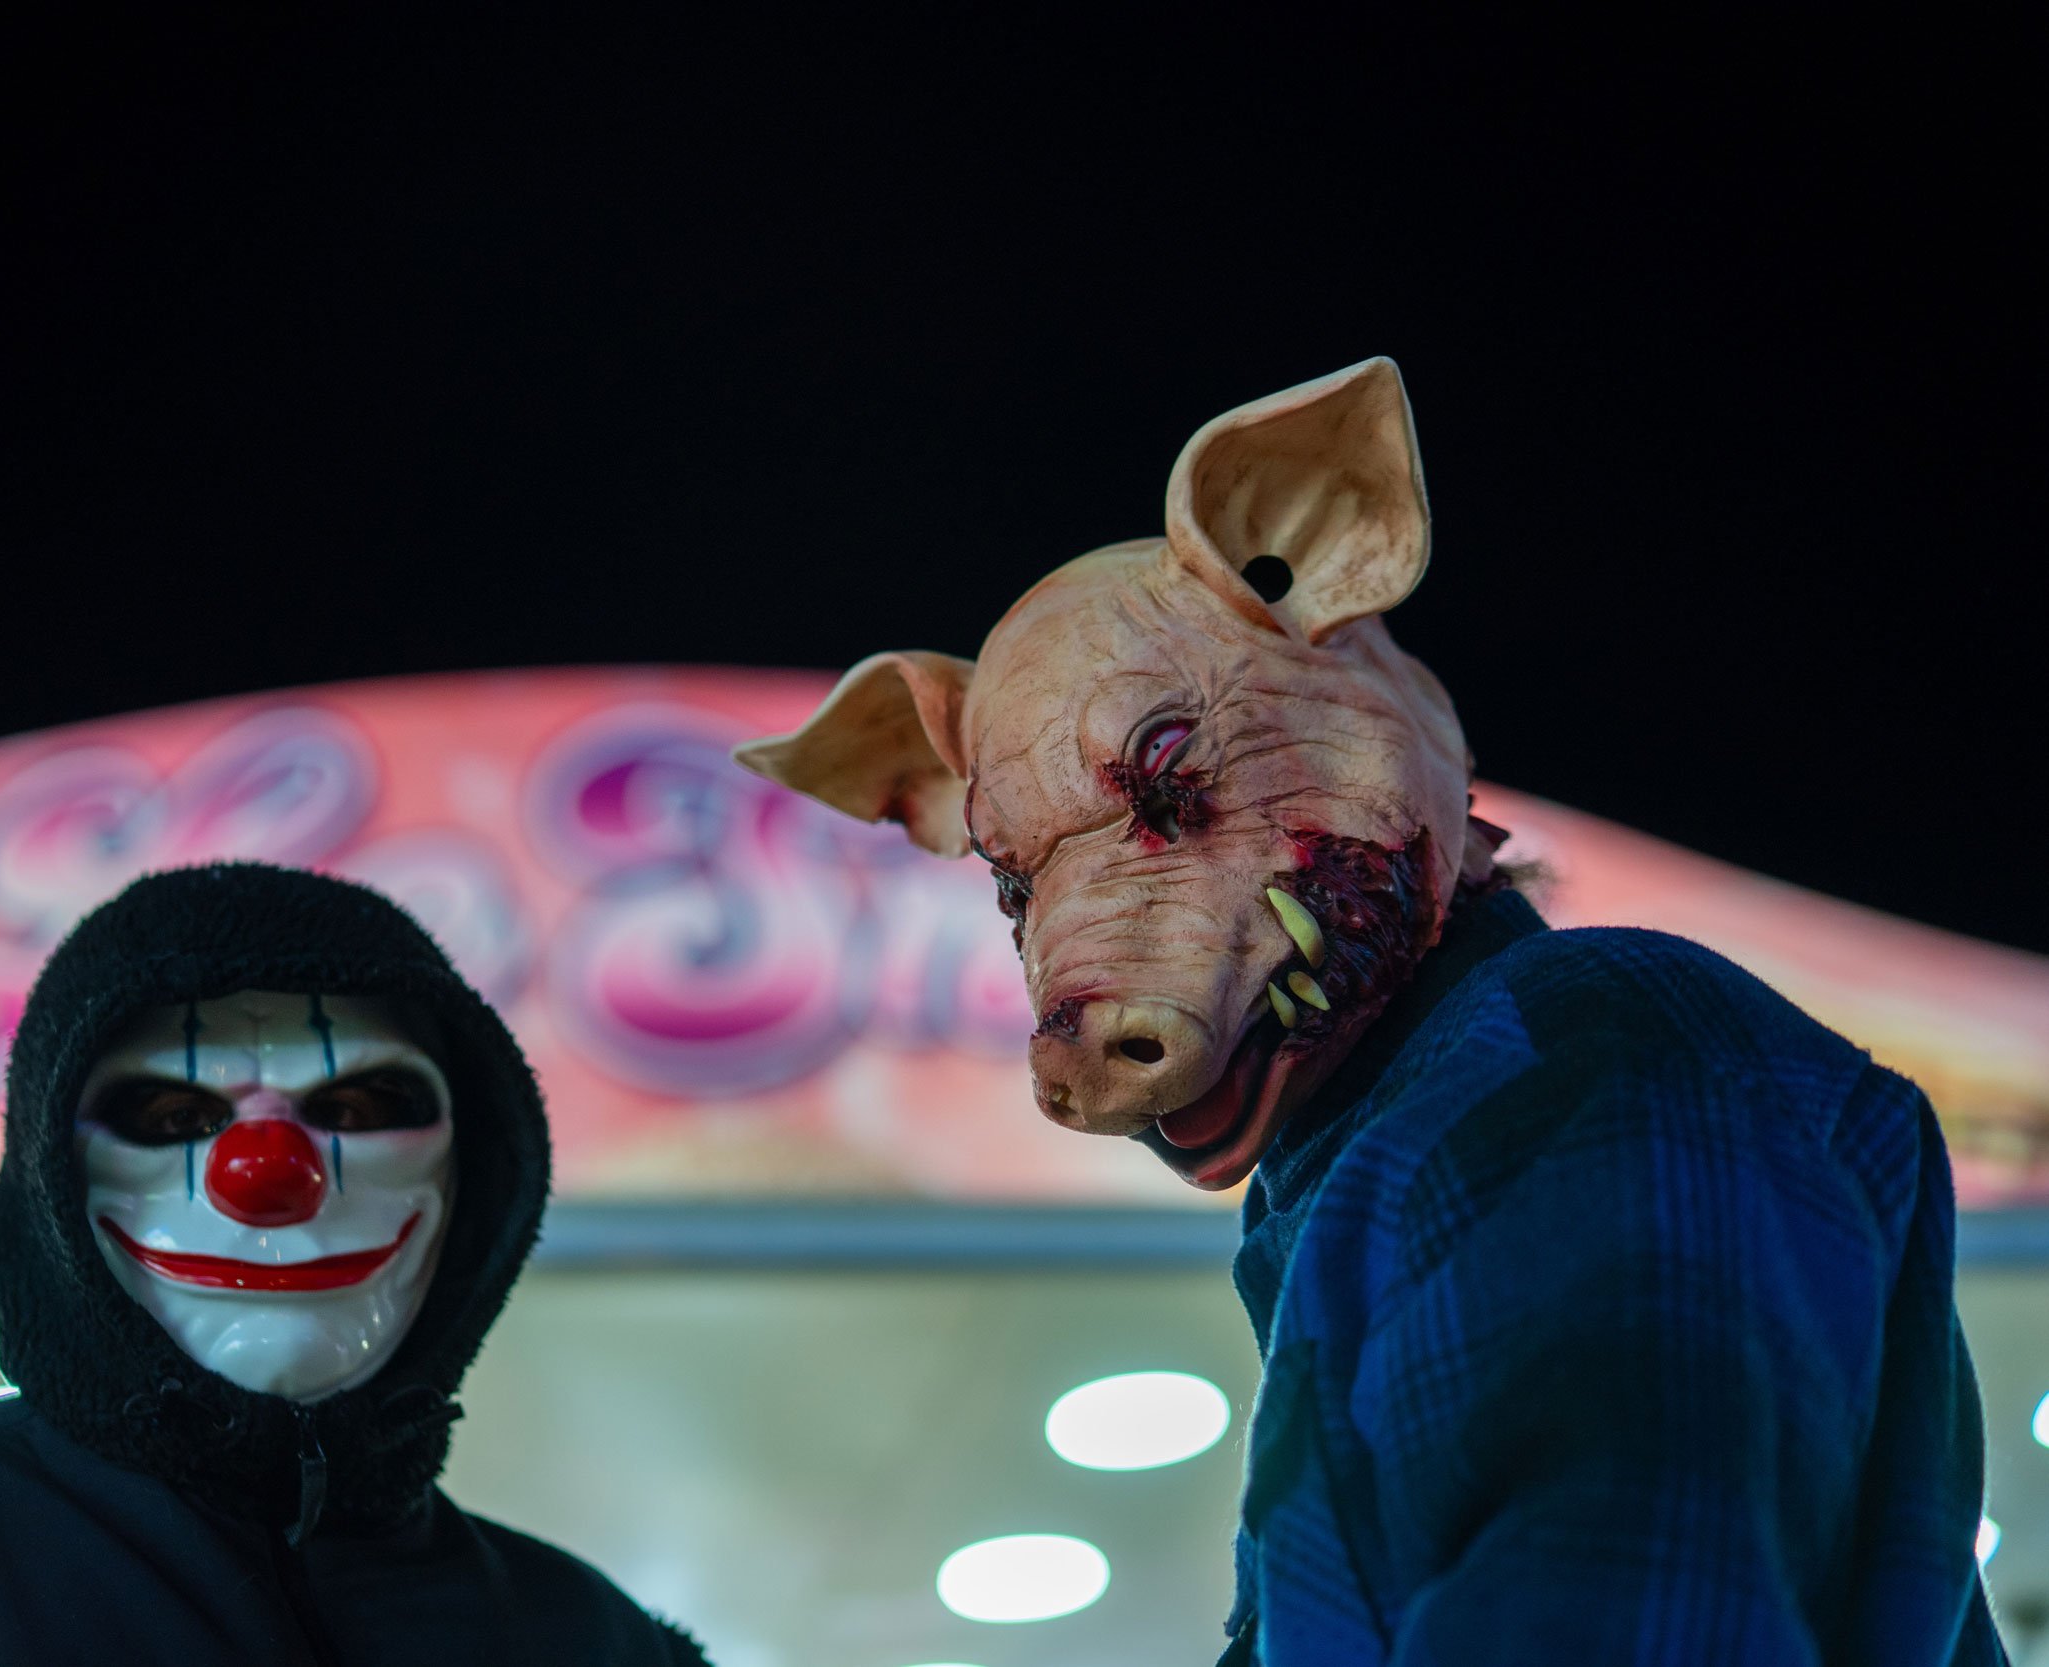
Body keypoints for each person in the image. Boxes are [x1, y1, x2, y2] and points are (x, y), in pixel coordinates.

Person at [737, 358, 2007, 1663]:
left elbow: (1626, 1611)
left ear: (1318, 542)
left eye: (1175, 778)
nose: (1074, 954)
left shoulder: (1595, 1051)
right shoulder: (1432, 1131)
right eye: (1018, 879)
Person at [0, 862, 712, 1666]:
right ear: (52, 1178)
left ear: (479, 1176)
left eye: (360, 1104)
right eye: (170, 1112)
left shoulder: (591, 1638)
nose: (267, 1174)